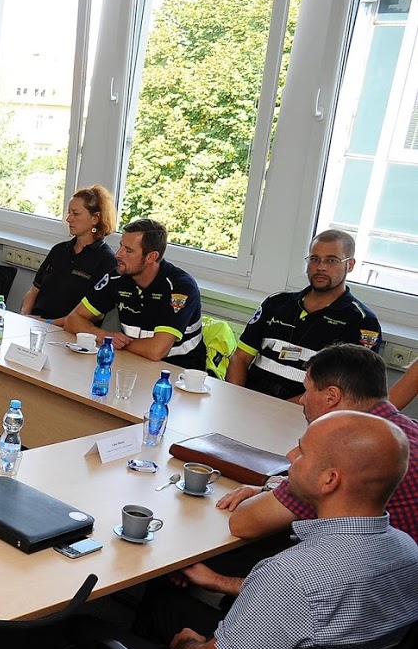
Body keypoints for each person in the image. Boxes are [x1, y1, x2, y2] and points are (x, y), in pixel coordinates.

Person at [93, 410, 418, 649]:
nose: (290, 456)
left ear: (329, 480)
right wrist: (217, 580)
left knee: (87, 634)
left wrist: (186, 645)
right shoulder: (408, 552)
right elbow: (315, 611)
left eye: (302, 452)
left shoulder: (291, 575)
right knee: (162, 604)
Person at [174, 343, 418, 599]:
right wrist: (273, 487)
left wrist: (281, 488)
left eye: (307, 390)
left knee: (205, 558)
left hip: (354, 590)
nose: (302, 400)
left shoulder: (344, 452)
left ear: (331, 397)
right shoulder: (404, 432)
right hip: (394, 586)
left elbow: (244, 524)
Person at [227, 230, 383, 402]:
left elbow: (347, 389)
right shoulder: (276, 303)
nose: (320, 267)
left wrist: (278, 410)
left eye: (331, 260)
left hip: (304, 412)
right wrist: (236, 398)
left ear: (350, 265)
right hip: (249, 401)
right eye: (314, 259)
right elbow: (240, 358)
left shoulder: (362, 322)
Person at [63, 218, 206, 371]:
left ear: (151, 257)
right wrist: (103, 336)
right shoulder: (117, 277)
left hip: (179, 373)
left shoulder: (180, 288)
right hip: (133, 362)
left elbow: (156, 351)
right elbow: (72, 320)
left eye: (128, 251)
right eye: (120, 246)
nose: (118, 255)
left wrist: (115, 343)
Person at [18, 185, 118, 324]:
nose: (68, 219)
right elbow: (34, 290)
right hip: (36, 323)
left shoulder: (106, 260)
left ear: (95, 218)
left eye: (75, 214)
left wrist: (49, 323)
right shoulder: (59, 250)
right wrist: (24, 316)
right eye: (69, 213)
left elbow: (95, 314)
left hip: (68, 330)